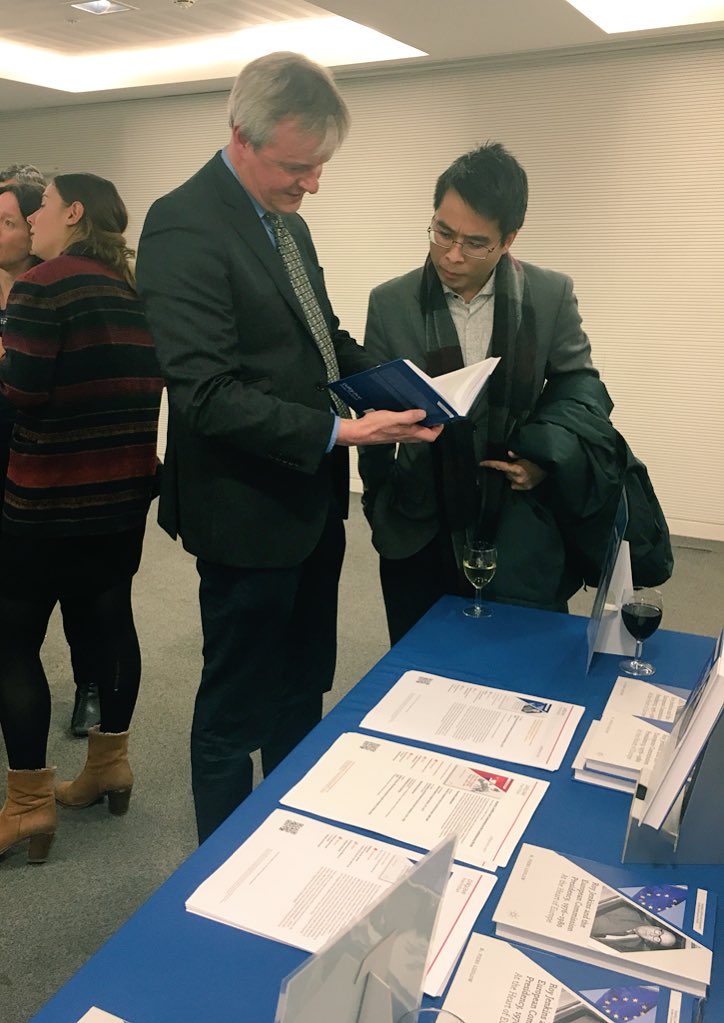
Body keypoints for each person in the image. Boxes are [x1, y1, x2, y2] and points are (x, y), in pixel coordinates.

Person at [136, 51, 441, 843]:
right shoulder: (182, 224)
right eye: (298, 166)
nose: (312, 184)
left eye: (320, 167)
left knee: (303, 689)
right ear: (242, 135)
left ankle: (287, 844)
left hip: (309, 507)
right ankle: (223, 864)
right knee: (234, 708)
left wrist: (408, 388)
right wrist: (344, 429)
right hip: (241, 514)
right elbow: (205, 396)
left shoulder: (288, 229)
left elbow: (323, 344)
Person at [358, 142, 624, 644]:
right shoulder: (389, 302)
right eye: (442, 232)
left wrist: (547, 459)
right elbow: (375, 408)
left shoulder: (550, 294)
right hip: (420, 521)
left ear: (508, 239)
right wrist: (379, 503)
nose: (452, 254)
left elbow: (580, 389)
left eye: (475, 243)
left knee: (524, 673)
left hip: (521, 520)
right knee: (420, 674)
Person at [0, 173, 163, 864]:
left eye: (38, 207)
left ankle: (29, 804)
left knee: (11, 643)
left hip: (45, 503)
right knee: (109, 624)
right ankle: (108, 767)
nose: (31, 218)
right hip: (121, 500)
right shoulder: (134, 290)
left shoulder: (43, 284)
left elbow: (21, 395)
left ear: (72, 212)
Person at [0, 167, 102, 738]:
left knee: (80, 594)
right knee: (13, 603)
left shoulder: (62, 286)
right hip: (3, 459)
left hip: (53, 465)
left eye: (8, 222)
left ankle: (90, 686)